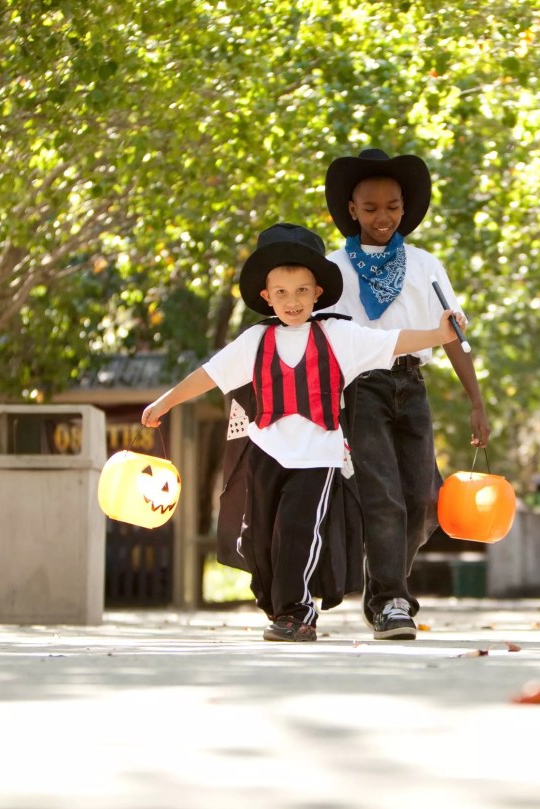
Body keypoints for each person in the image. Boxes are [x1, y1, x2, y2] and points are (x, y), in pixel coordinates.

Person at [141, 222, 464, 643]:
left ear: (317, 293)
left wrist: (439, 334)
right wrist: (164, 401)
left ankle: (298, 614)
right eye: (281, 292)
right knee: (262, 539)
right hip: (265, 453)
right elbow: (208, 375)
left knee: (297, 531)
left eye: (301, 291)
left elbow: (393, 341)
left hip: (317, 458)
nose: (292, 301)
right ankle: (279, 608)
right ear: (266, 296)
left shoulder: (338, 335)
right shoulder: (254, 340)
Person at [322, 148, 491, 640]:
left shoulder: (425, 265)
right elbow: (320, 339)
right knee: (382, 496)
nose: (382, 217)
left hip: (410, 384)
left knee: (421, 500)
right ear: (352, 210)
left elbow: (452, 334)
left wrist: (476, 401)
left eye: (392, 206)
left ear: (405, 207)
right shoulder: (333, 269)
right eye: (370, 208)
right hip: (360, 388)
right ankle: (393, 599)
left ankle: (381, 580)